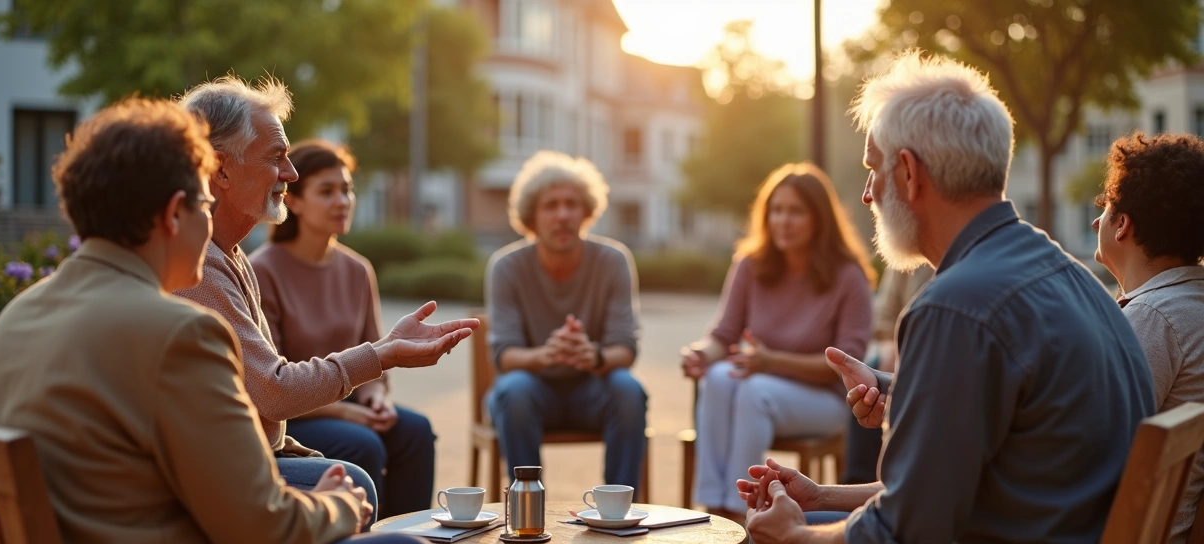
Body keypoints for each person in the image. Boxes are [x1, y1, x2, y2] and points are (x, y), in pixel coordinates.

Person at [685, 52, 1155, 544]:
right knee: (808, 521)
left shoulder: (954, 305)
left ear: (909, 173)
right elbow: (997, 458)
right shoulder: (1068, 276)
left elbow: (903, 543)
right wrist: (829, 485)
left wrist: (797, 538)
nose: (866, 195)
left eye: (872, 170)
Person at [0, 98, 444, 544]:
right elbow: (260, 531)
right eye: (205, 204)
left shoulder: (18, 316)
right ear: (172, 213)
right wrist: (338, 508)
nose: (209, 228)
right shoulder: (178, 332)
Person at [173, 76, 475, 520]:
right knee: (360, 472)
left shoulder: (232, 255)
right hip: (217, 477)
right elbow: (274, 392)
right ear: (219, 169)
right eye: (277, 158)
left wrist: (376, 381)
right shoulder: (200, 264)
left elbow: (261, 408)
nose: (289, 175)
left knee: (409, 435)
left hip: (251, 454)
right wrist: (384, 354)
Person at [251, 140, 436, 518]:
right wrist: (349, 414)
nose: (343, 201)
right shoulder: (262, 271)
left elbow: (375, 349)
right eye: (327, 191)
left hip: (351, 402)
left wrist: (376, 397)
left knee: (416, 431)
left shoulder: (357, 269)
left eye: (347, 189)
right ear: (294, 201)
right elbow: (273, 383)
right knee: (364, 443)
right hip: (295, 415)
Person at [679, 162, 874, 519]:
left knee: (754, 391)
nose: (783, 220)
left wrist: (772, 361)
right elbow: (722, 335)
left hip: (825, 402)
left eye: (795, 212)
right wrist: (700, 356)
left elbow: (850, 366)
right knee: (719, 378)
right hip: (759, 388)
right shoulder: (750, 265)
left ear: (819, 219)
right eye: (777, 210)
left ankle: (740, 512)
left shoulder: (849, 277)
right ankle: (713, 509)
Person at [485, 150, 648, 492]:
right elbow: (505, 356)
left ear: (586, 211)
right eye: (551, 205)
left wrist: (595, 356)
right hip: (531, 391)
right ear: (532, 214)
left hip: (593, 389)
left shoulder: (613, 260)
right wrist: (548, 354)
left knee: (629, 390)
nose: (562, 215)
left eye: (572, 204)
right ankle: (526, 511)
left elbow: (626, 348)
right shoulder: (506, 267)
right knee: (513, 390)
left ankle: (618, 511)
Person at [1091, 132, 1204, 544]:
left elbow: (1086, 452)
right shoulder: (1188, 304)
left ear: (1123, 225)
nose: (1097, 215)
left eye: (1106, 204)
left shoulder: (1152, 320)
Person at [842, 263, 932, 484]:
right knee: (867, 387)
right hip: (901, 350)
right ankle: (858, 482)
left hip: (931, 359)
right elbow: (887, 314)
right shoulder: (910, 255)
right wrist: (891, 353)